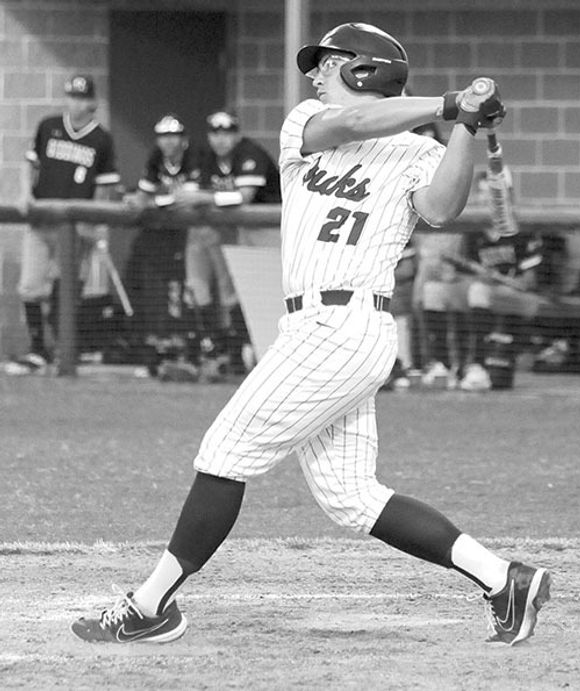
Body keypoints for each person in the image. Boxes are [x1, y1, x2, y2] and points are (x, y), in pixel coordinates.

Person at [71, 22, 551, 646]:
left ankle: (150, 604)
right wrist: (451, 105)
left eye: (326, 62)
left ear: (364, 69)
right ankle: (503, 579)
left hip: (345, 324)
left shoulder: (418, 153)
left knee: (224, 452)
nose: (315, 73)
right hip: (315, 326)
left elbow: (440, 209)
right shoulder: (306, 123)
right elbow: (353, 127)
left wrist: (465, 128)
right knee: (351, 496)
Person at [8, 74, 120, 374]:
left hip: (75, 228)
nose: (76, 103)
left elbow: (105, 188)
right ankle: (37, 350)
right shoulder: (49, 126)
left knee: (67, 290)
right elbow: (29, 163)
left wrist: (95, 221)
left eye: (82, 98)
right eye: (72, 96)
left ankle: (63, 352)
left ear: (92, 103)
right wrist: (24, 193)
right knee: (30, 287)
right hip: (41, 221)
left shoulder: (101, 139)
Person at [419, 167, 549, 391]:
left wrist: (495, 279)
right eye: (480, 192)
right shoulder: (474, 228)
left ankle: (477, 367)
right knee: (434, 290)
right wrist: (454, 276)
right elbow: (465, 272)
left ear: (505, 194)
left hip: (519, 297)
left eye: (490, 191)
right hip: (481, 292)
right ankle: (443, 365)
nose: (484, 198)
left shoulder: (522, 228)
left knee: (478, 290)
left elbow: (530, 282)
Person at [181, 110, 282, 375]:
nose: (221, 139)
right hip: (242, 231)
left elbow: (244, 196)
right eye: (216, 133)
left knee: (272, 291)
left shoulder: (250, 153)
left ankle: (266, 352)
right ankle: (236, 353)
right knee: (243, 288)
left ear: (237, 134)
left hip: (272, 228)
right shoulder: (207, 157)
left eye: (227, 133)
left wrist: (206, 198)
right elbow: (189, 192)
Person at [123, 114, 201, 371]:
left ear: (183, 139)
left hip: (195, 233)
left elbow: (187, 198)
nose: (168, 142)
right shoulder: (156, 157)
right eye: (163, 136)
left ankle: (197, 346)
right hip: (165, 236)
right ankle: (161, 344)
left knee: (191, 288)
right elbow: (143, 195)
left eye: (173, 136)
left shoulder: (194, 157)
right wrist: (137, 201)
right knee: (153, 283)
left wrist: (154, 201)